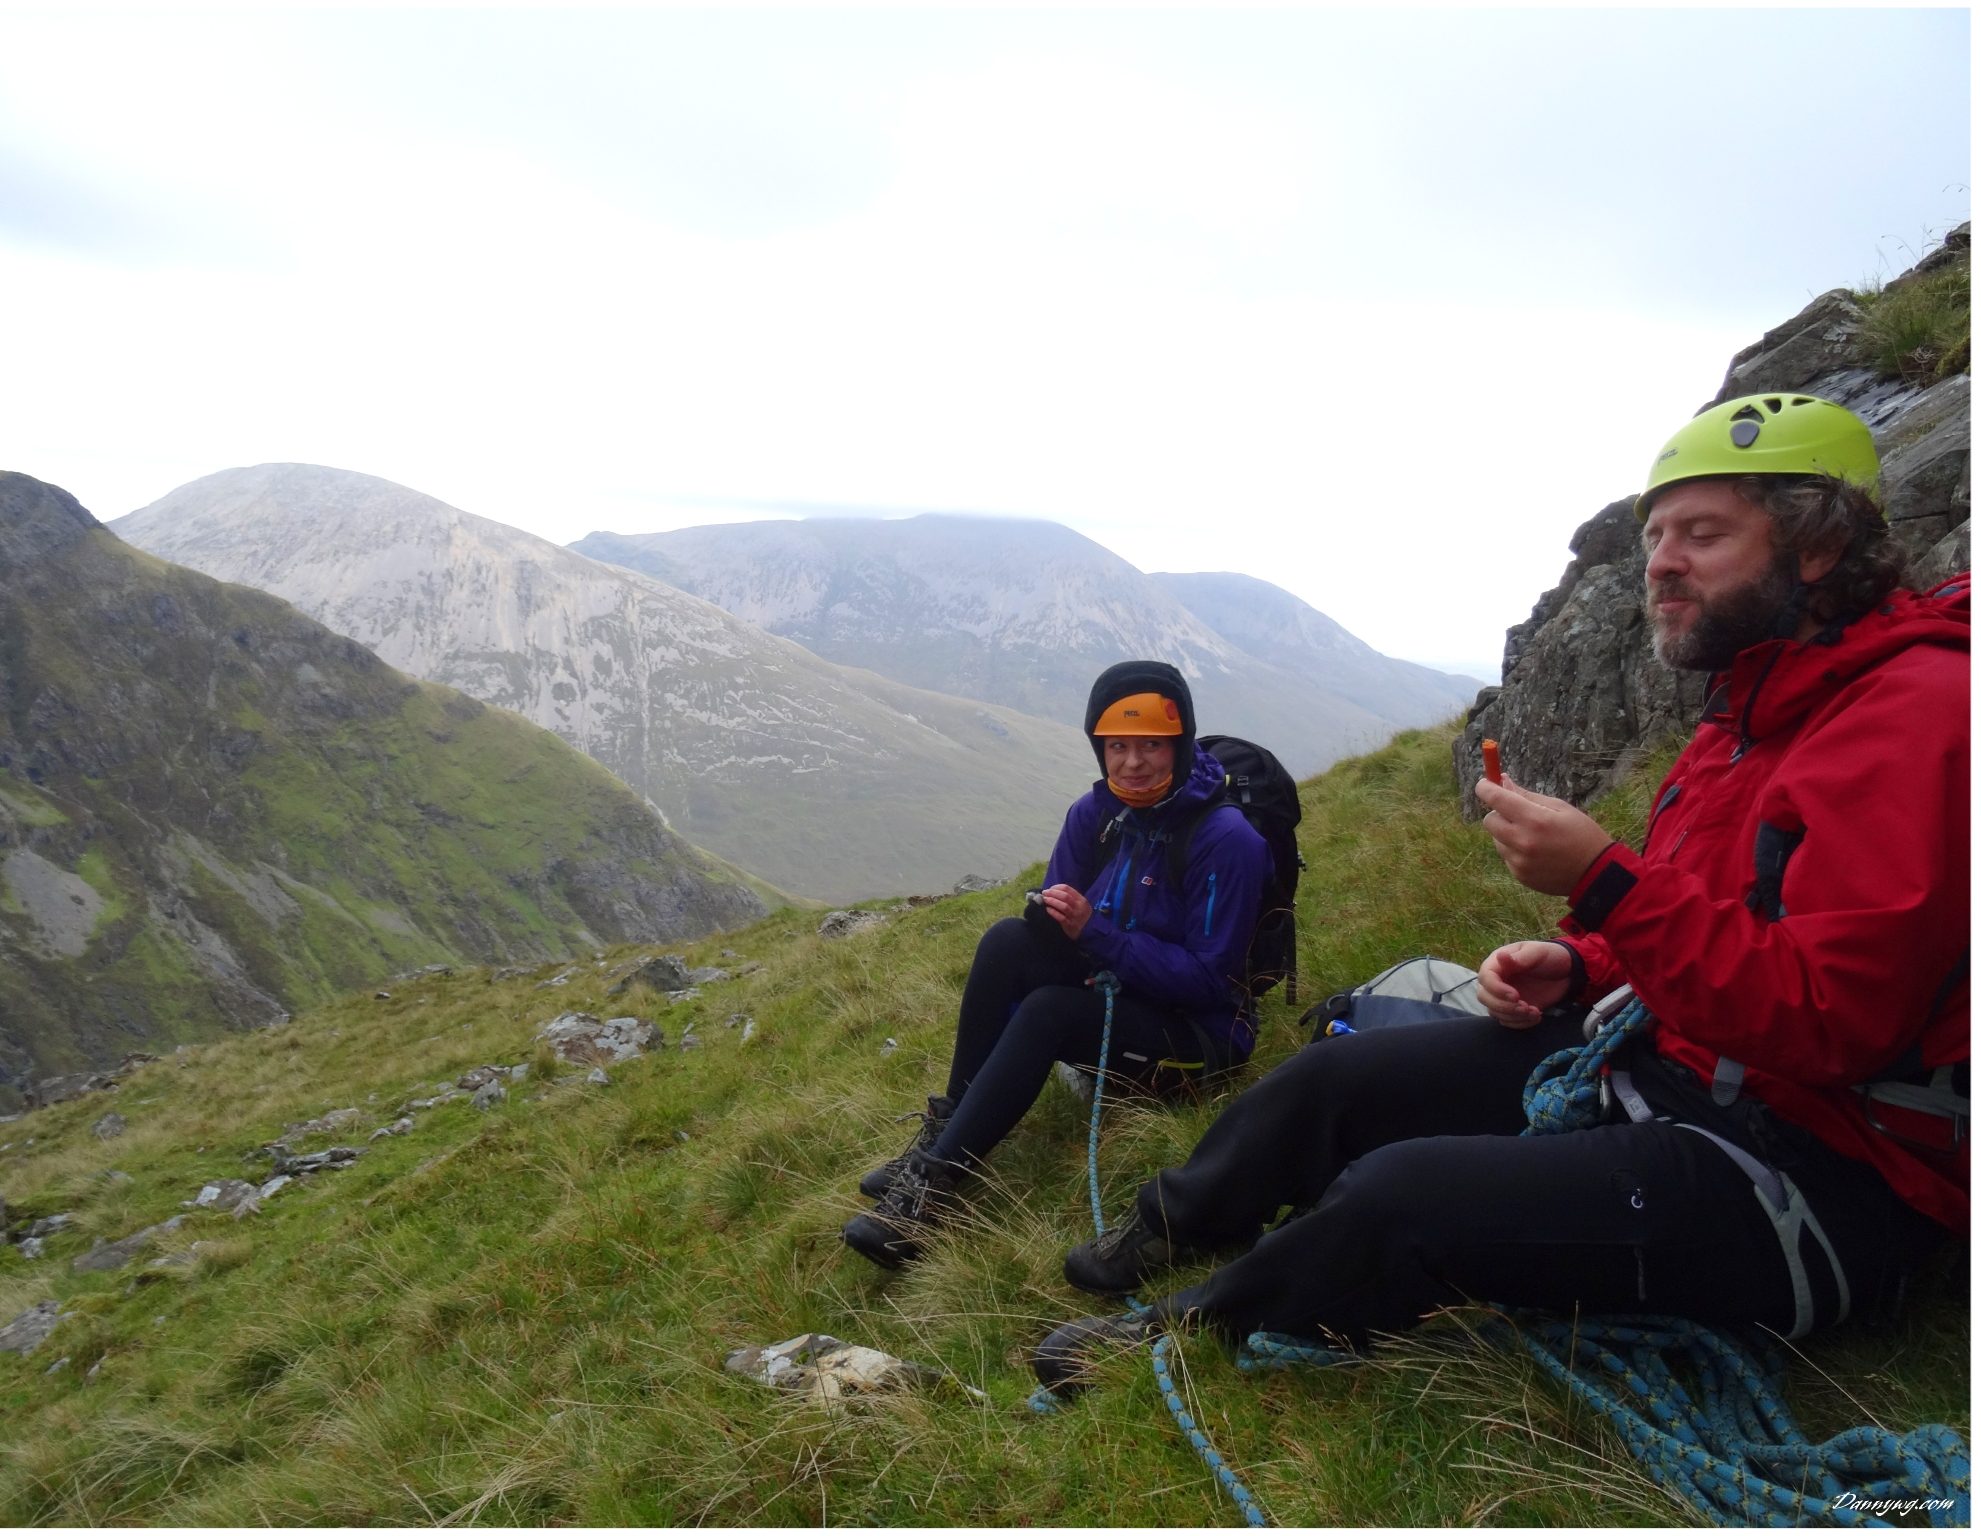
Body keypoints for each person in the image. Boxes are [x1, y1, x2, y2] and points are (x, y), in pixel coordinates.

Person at [1031, 393, 1969, 1391]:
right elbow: (1717, 919)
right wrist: (1579, 962)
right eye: (1655, 536)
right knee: (1330, 1079)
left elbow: (1831, 1019)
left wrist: (1604, 887)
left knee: (1404, 1195)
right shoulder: (1748, 714)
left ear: (1816, 546)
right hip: (1677, 1070)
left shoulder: (1919, 720)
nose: (1660, 563)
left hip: (1820, 1171)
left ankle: (1192, 1333)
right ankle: (1170, 1224)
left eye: (1702, 535)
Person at [841, 660, 1271, 1268]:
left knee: (1050, 1011)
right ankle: (945, 1132)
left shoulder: (1226, 839)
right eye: (1117, 746)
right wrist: (1054, 922)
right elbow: (1054, 932)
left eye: (1151, 745)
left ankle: (928, 1197)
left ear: (1180, 743)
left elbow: (1209, 981)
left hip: (1199, 1039)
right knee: (1005, 941)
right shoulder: (1094, 817)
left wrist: (1096, 932)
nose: (1133, 762)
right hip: (1123, 998)